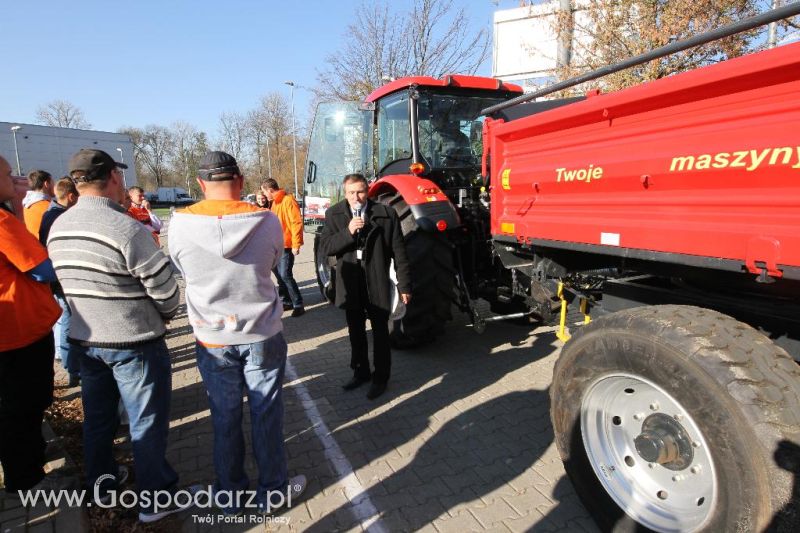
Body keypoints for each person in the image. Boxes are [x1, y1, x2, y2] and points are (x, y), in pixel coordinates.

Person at [47, 149, 186, 523]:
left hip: (85, 339)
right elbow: (167, 292)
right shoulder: (125, 228)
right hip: (133, 341)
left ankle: (102, 486)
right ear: (111, 177)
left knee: (98, 419)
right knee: (146, 421)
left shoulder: (60, 225)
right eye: (120, 176)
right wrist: (166, 313)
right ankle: (154, 499)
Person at [168, 151, 306, 513]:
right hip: (261, 332)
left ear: (200, 184)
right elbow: (274, 262)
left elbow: (181, 267)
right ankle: (272, 491)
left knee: (224, 418)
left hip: (212, 337)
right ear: (241, 181)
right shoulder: (265, 220)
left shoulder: (179, 223)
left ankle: (229, 494)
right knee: (266, 414)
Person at [318, 173, 411, 399]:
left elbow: (399, 252)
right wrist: (348, 231)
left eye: (360, 192)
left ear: (367, 190)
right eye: (351, 192)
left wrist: (405, 285)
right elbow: (327, 248)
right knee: (356, 332)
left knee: (380, 333)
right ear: (345, 192)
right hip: (351, 282)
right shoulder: (335, 214)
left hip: (377, 282)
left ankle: (381, 377)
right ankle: (360, 372)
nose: (356, 197)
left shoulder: (386, 214)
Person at [0, 155, 62, 495]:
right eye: (9, 174)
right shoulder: (1, 222)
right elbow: (41, 268)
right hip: (19, 330)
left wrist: (16, 204)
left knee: (17, 402)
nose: (17, 177)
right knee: (23, 403)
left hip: (12, 331)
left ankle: (26, 459)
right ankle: (26, 477)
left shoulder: (7, 217)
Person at [39, 178, 80, 387]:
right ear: (71, 197)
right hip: (63, 279)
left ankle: (73, 366)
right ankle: (72, 369)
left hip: (60, 278)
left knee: (67, 321)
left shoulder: (50, 214)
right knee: (68, 322)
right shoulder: (58, 218)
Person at [261, 178, 305, 317]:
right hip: (276, 245)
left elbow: (296, 222)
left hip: (286, 246)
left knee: (285, 275)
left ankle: (298, 304)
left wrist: (296, 244)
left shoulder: (287, 200)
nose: (264, 195)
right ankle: (286, 301)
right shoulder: (275, 203)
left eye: (264, 192)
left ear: (270, 190)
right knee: (279, 275)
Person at [22, 169, 55, 240]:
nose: (55, 186)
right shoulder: (49, 207)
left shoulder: (27, 205)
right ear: (46, 184)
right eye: (53, 183)